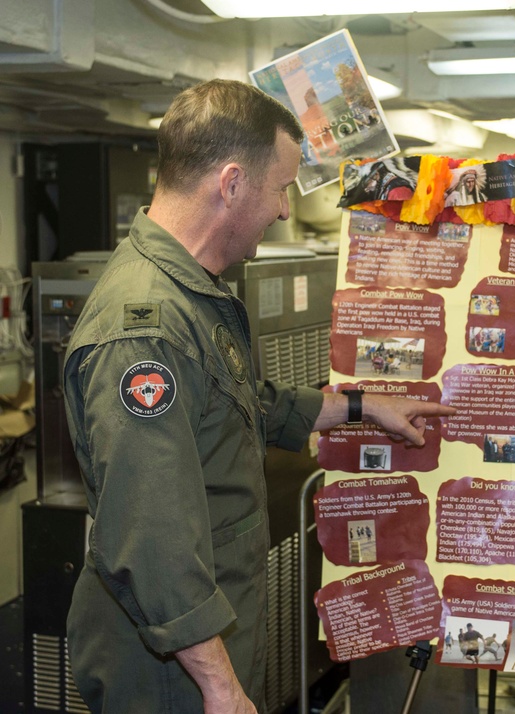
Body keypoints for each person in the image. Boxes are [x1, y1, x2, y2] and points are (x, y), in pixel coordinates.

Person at [62, 79, 456, 714]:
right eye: (281, 189)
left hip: (200, 638)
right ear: (232, 182)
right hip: (169, 665)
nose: (281, 210)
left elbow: (245, 403)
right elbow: (150, 533)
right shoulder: (146, 330)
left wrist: (362, 407)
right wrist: (220, 688)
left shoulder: (191, 292)